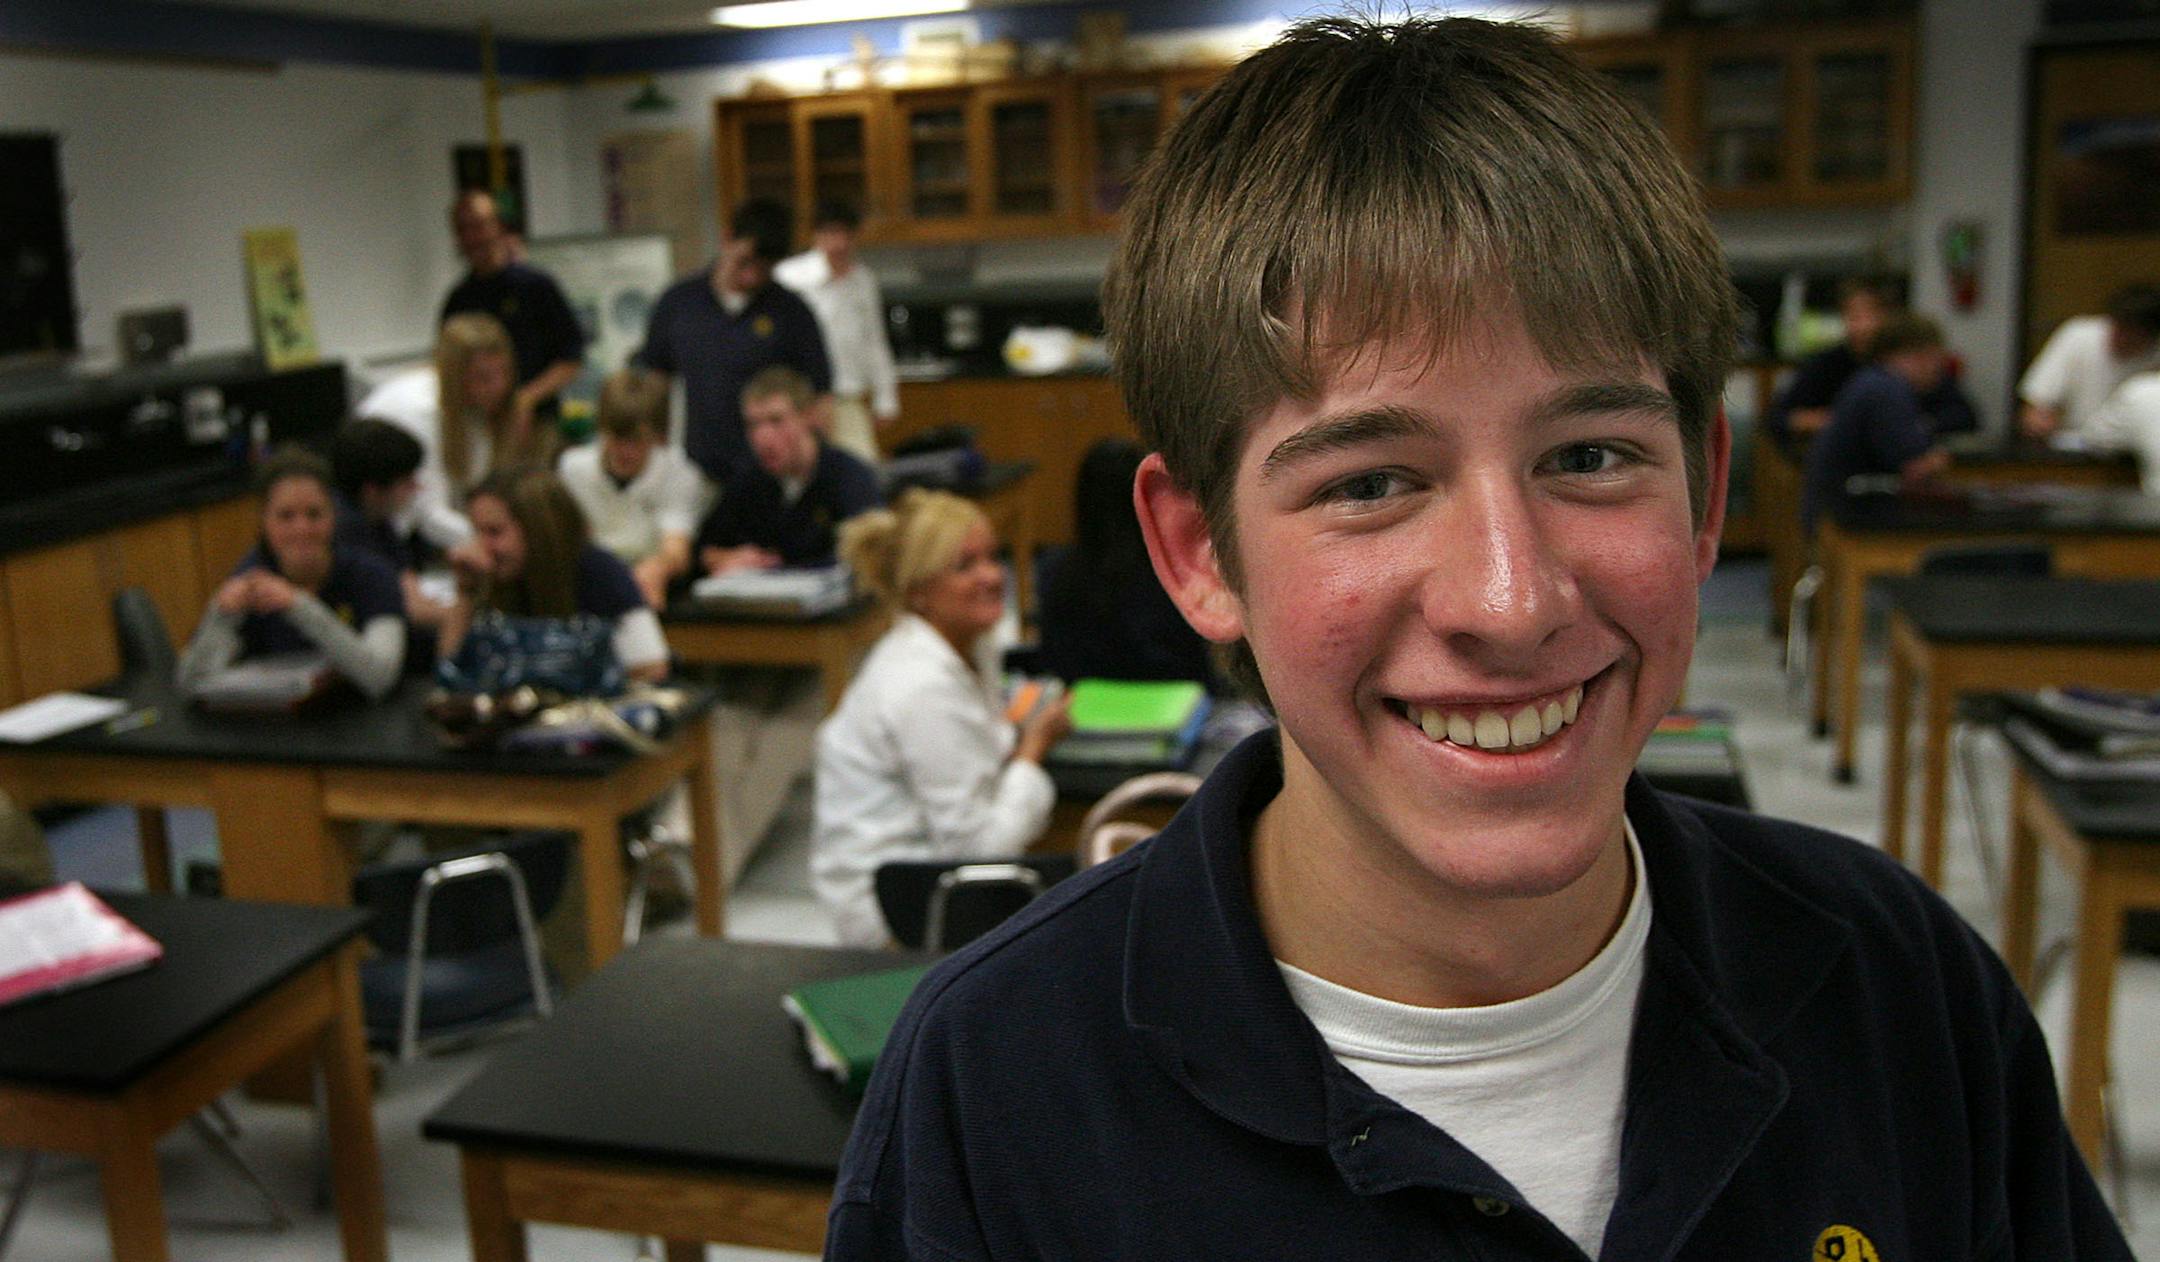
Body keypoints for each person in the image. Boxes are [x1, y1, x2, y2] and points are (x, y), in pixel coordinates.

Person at [827, 17, 2129, 1262]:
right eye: (1370, 482)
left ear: (1706, 497)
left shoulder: (1902, 990)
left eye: (1591, 454)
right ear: (1199, 553)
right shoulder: (990, 1097)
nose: (1512, 601)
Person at [812, 489, 1071, 948]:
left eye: (993, 557)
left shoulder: (971, 643)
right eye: (964, 566)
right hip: (899, 913)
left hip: (923, 877)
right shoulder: (920, 685)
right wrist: (1032, 752)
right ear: (918, 592)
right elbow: (979, 853)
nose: (993, 576)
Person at [178, 448, 405, 700]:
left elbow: (381, 677)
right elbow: (189, 684)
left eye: (314, 514)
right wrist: (221, 616)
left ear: (334, 515)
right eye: (286, 516)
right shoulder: (251, 581)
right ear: (263, 521)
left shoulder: (373, 576)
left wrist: (297, 605)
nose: (301, 529)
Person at [635, 198, 832, 486]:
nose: (751, 277)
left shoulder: (792, 312)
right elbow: (656, 385)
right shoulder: (679, 303)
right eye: (744, 262)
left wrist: (818, 469)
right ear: (727, 238)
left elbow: (820, 396)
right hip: (698, 469)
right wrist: (652, 455)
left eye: (764, 268)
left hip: (774, 473)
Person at [441, 465, 668, 686]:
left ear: (538, 528)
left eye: (494, 532)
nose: (481, 546)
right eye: (476, 532)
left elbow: (651, 667)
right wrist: (465, 592)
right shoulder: (489, 577)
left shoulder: (600, 571)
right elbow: (450, 670)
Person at [359, 313, 550, 555]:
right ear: (454, 376)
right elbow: (429, 516)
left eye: (504, 372)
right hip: (388, 535)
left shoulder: (476, 407)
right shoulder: (421, 414)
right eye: (483, 377)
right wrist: (505, 540)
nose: (498, 386)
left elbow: (476, 488)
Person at [1035, 437, 1215, 686]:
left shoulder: (1055, 572)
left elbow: (1054, 660)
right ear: (1142, 495)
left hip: (1086, 714)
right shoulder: (1170, 573)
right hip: (1172, 711)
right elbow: (1194, 666)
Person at [695, 365, 881, 576]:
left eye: (776, 420)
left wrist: (773, 569)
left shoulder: (850, 477)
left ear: (809, 417)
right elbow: (704, 547)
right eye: (753, 424)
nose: (763, 437)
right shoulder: (750, 481)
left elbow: (865, 556)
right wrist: (723, 558)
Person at [557, 367, 706, 608]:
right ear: (601, 428)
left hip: (649, 586)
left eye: (637, 439)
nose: (626, 451)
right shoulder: (572, 468)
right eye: (617, 437)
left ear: (657, 437)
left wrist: (657, 569)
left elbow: (676, 549)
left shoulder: (679, 471)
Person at [439, 189, 586, 434]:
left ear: (498, 227)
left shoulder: (536, 286)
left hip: (538, 425)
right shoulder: (458, 300)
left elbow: (571, 358)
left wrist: (526, 399)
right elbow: (446, 367)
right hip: (479, 428)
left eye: (480, 226)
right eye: (463, 229)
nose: (473, 237)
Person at [1767, 274, 1977, 443]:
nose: (1862, 326)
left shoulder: (1904, 364)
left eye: (1871, 315)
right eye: (1853, 316)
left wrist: (1912, 424)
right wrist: (1825, 421)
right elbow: (1777, 419)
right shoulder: (1827, 364)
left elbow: (1963, 416)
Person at [1799, 314, 1959, 533]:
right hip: (1845, 516)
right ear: (1913, 355)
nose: (1935, 367)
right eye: (1930, 357)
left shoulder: (1873, 381)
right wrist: (1938, 460)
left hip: (1831, 508)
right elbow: (1914, 466)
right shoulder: (1887, 390)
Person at [774, 200, 900, 464]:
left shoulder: (863, 280)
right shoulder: (789, 278)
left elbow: (874, 341)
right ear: (816, 236)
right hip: (800, 400)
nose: (840, 243)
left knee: (863, 471)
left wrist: (885, 397)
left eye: (847, 234)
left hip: (848, 395)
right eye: (831, 233)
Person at [2018, 282, 2160, 443]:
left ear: (2151, 338)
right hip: (2076, 448)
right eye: (2119, 329)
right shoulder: (2078, 335)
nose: (2121, 339)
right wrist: (2039, 421)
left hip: (2135, 448)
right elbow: (2037, 405)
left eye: (2132, 335)